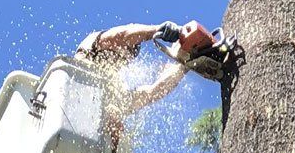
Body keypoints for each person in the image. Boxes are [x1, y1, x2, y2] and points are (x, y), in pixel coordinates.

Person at [76, 20, 224, 120]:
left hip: (88, 148)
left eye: (128, 57)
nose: (123, 60)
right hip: (74, 110)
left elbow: (153, 92)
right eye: (126, 51)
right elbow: (120, 35)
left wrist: (184, 64)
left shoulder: (113, 92)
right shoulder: (86, 54)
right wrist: (157, 30)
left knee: (115, 112)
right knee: (113, 113)